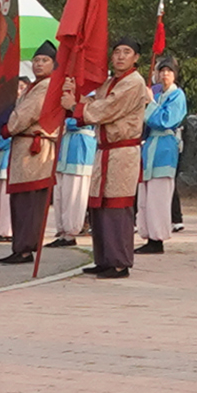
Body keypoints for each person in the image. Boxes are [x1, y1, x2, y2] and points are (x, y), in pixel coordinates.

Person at [77, 41, 154, 278]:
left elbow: (108, 108)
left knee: (117, 205)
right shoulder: (110, 82)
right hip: (105, 149)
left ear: (136, 58)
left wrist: (78, 109)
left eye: (126, 52)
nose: (120, 56)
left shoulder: (134, 82)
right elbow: (97, 102)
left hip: (122, 151)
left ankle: (119, 261)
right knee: (100, 205)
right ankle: (104, 258)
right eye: (117, 52)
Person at [0, 44, 63, 267]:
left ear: (54, 64)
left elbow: (26, 114)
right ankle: (21, 246)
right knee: (21, 200)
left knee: (30, 200)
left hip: (35, 149)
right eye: (36, 60)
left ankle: (25, 248)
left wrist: (8, 127)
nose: (38, 64)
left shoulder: (46, 87)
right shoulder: (33, 87)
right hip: (24, 147)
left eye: (44, 60)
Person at [140, 61, 189, 234]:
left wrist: (151, 104)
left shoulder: (177, 96)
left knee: (159, 194)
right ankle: (148, 232)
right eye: (162, 71)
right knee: (146, 195)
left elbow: (165, 121)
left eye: (169, 71)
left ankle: (158, 234)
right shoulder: (158, 95)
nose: (165, 74)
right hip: (150, 145)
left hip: (165, 145)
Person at [51, 77, 98, 248]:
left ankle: (71, 232)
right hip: (65, 147)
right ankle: (62, 231)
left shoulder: (92, 95)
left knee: (74, 193)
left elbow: (82, 118)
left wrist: (70, 113)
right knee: (60, 193)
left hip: (81, 148)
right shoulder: (65, 96)